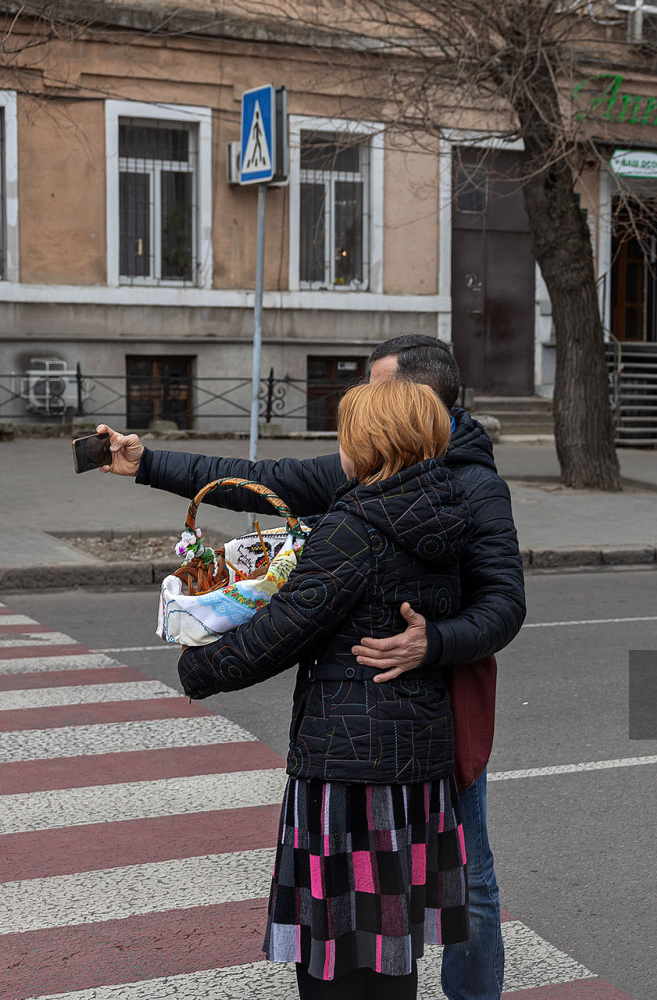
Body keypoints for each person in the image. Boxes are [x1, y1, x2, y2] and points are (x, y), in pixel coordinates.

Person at [95, 334, 521, 1000]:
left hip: (411, 725)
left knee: (450, 887)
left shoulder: (455, 491)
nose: (360, 408)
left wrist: (432, 642)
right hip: (413, 736)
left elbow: (501, 606)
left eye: (376, 393)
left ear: (416, 404)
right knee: (392, 929)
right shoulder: (396, 481)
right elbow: (263, 480)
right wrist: (147, 462)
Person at [177, 379, 473, 999]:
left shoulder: (354, 526)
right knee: (391, 951)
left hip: (349, 768)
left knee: (333, 957)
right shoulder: (447, 512)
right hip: (416, 760)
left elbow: (285, 630)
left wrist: (199, 667)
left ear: (371, 443)